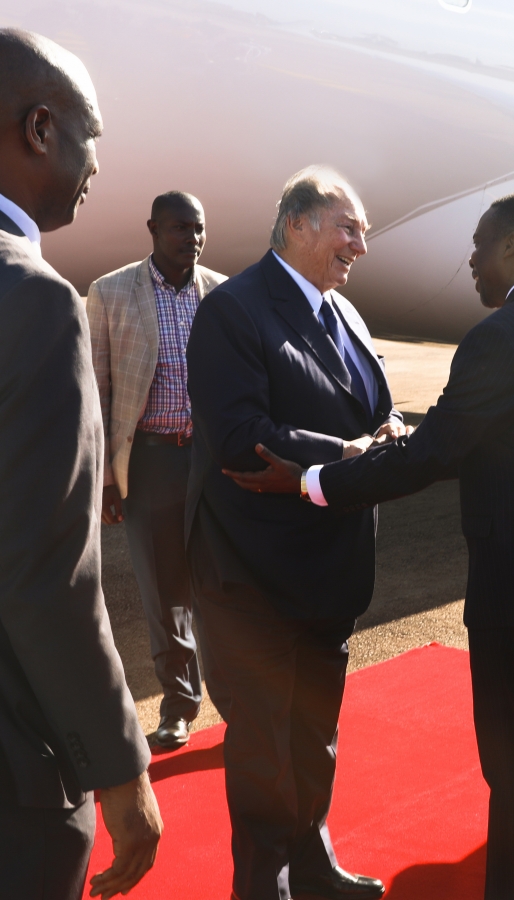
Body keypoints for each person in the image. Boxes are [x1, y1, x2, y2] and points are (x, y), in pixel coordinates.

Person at [225, 192, 514, 900]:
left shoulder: (504, 333)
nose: (471, 262)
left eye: (479, 246)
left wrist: (315, 482)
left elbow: (435, 454)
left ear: (512, 245)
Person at [185, 166, 401, 900]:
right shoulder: (235, 311)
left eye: (362, 233)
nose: (359, 247)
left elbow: (369, 415)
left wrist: (385, 433)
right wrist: (347, 455)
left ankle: (312, 867)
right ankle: (265, 887)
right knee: (261, 754)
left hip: (330, 573)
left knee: (314, 741)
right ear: (299, 225)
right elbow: (243, 439)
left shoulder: (346, 313)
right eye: (349, 228)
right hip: (255, 577)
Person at [0, 27, 162, 900]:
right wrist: (119, 766)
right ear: (38, 130)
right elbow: (46, 578)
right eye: (88, 131)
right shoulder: (33, 302)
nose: (98, 157)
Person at [87, 191, 228, 749]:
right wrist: (105, 480)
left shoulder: (221, 293)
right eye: (178, 228)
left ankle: (235, 699)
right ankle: (179, 705)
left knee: (221, 581)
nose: (190, 239)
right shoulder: (112, 291)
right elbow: (96, 393)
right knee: (164, 589)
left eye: (197, 229)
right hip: (149, 461)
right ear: (152, 228)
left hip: (213, 460)